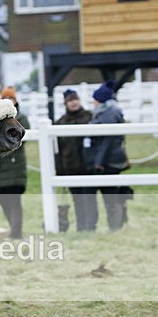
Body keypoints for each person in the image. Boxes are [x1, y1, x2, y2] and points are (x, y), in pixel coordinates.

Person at [83, 82, 132, 231]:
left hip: (107, 161)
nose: (94, 102)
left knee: (110, 198)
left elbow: (107, 140)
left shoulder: (109, 113)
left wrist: (98, 162)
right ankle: (115, 223)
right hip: (106, 159)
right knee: (110, 196)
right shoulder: (107, 111)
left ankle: (115, 226)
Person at [55, 89, 96, 231]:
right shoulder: (60, 122)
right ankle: (81, 226)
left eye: (75, 99)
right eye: (70, 100)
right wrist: (60, 170)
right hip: (70, 167)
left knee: (89, 198)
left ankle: (90, 226)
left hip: (87, 166)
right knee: (77, 199)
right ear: (65, 103)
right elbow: (58, 150)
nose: (74, 102)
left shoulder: (90, 117)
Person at [0, 87, 30, 238]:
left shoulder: (21, 119)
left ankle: (16, 232)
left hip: (14, 166)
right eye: (5, 99)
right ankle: (14, 229)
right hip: (0, 170)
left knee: (14, 202)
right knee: (3, 201)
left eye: (11, 99)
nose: (8, 101)